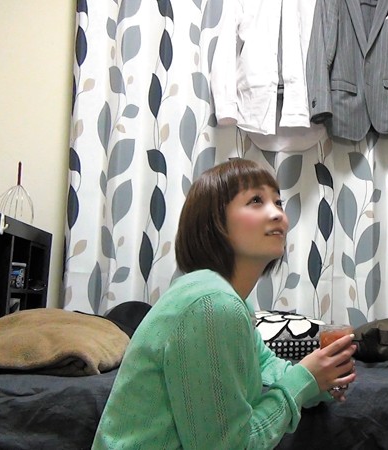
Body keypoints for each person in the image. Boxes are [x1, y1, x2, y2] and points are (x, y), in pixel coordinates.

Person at [92, 159, 357, 449]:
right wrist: (304, 380)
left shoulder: (227, 299)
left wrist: (321, 379)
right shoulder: (212, 304)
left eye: (278, 202)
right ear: (214, 222)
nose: (278, 214)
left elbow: (266, 365)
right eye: (256, 200)